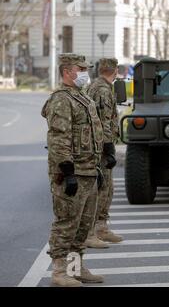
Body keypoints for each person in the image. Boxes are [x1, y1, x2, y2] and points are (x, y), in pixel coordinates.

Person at [41, 53, 104, 286]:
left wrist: (99, 166)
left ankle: (75, 268)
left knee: (83, 225)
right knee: (66, 222)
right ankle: (59, 272)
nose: (85, 73)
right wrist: (67, 173)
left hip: (88, 170)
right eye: (81, 69)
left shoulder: (82, 97)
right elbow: (59, 138)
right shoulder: (61, 99)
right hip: (72, 172)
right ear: (68, 71)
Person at [85, 58, 123, 247]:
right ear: (114, 70)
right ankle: (92, 231)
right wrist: (108, 147)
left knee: (106, 187)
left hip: (97, 145)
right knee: (102, 188)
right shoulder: (102, 90)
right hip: (100, 147)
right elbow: (104, 120)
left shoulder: (98, 86)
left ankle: (101, 228)